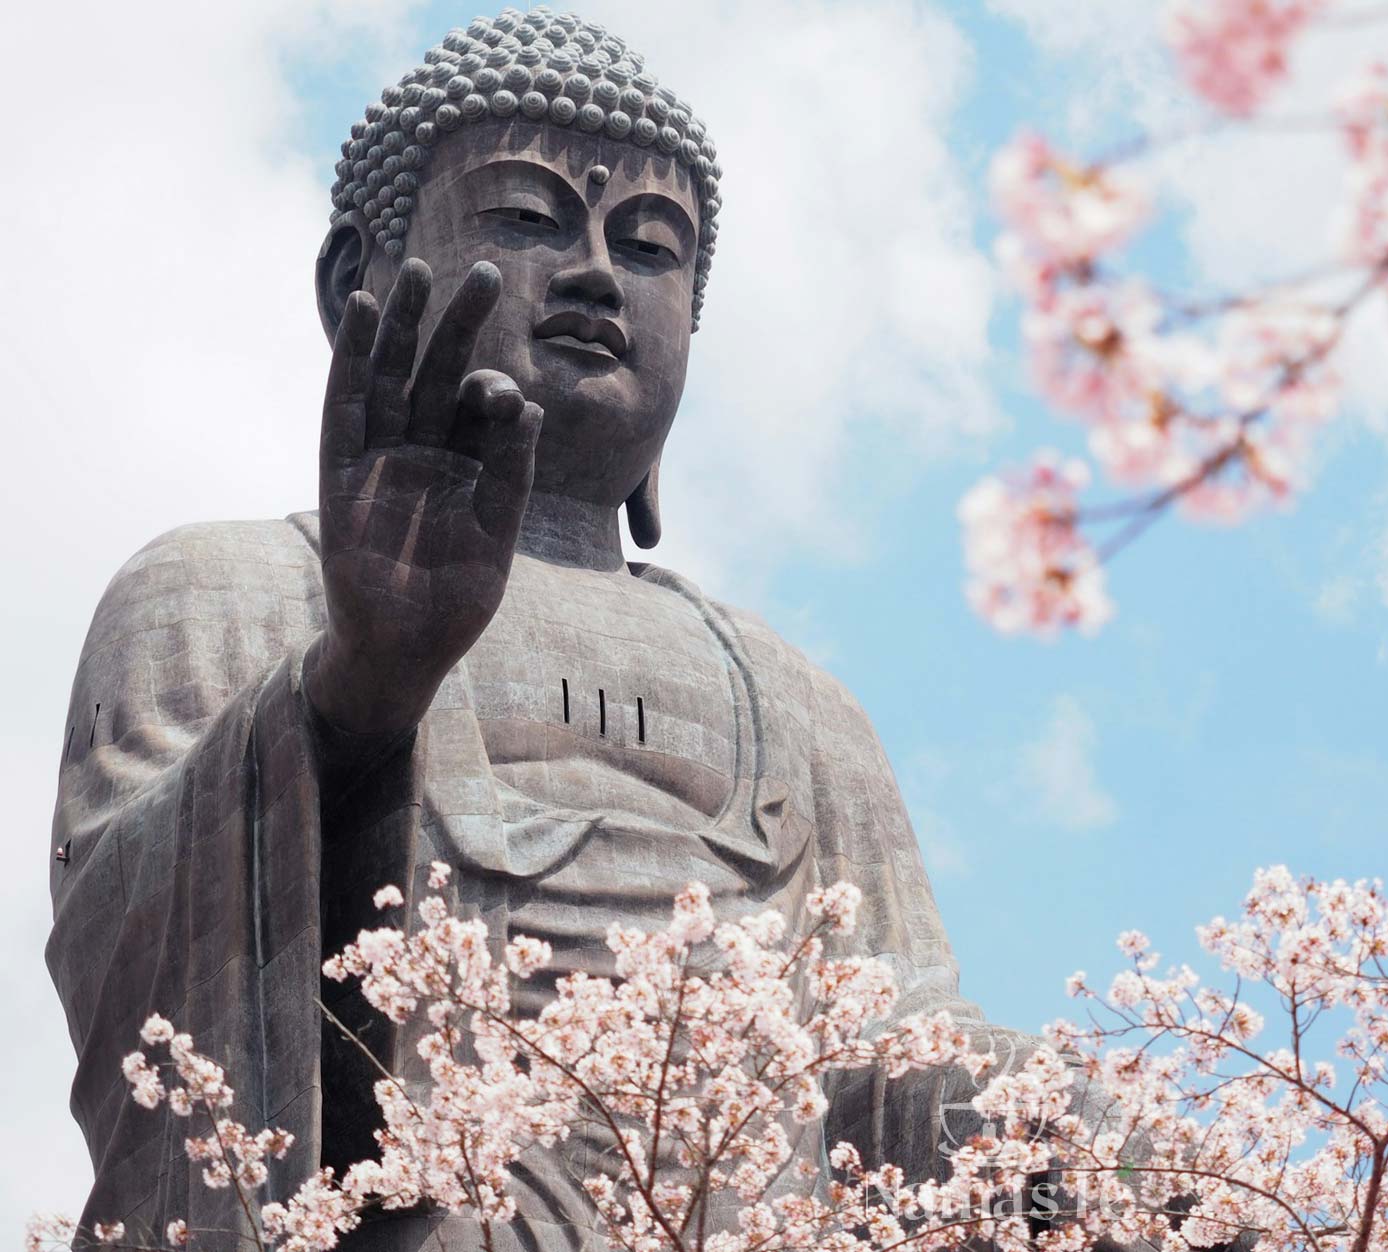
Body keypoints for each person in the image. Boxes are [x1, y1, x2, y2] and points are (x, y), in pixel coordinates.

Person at [49, 10, 1060, 1248]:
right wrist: (357, 691)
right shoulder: (225, 585)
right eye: (526, 218)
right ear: (354, 278)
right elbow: (129, 943)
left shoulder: (801, 704)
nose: (591, 272)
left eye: (649, 246)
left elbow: (893, 1051)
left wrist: (1070, 1124)